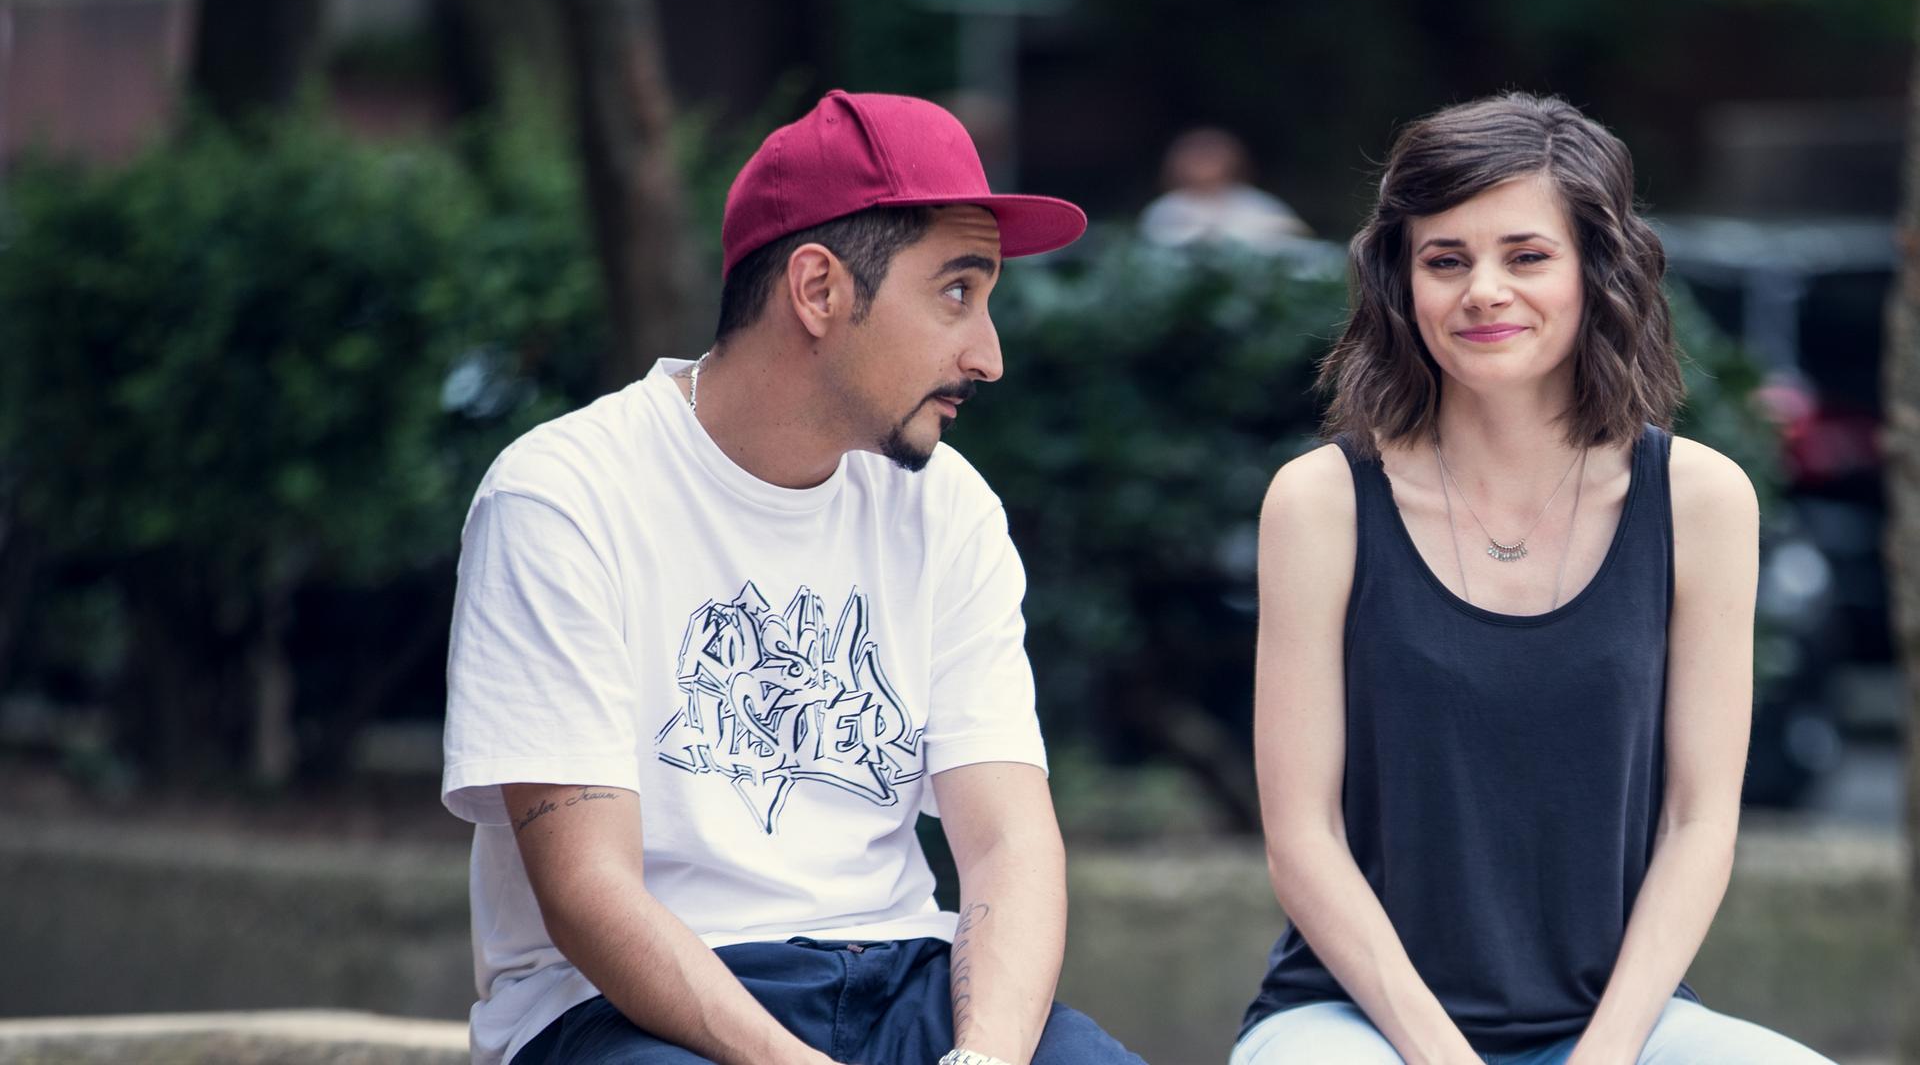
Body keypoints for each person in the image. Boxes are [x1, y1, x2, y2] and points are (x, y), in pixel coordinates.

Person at [441, 90, 1145, 1065]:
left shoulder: (948, 506)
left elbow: (1008, 846)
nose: (987, 354)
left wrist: (984, 1058)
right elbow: (588, 891)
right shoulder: (563, 496)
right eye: (955, 293)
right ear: (817, 290)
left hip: (902, 980)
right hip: (627, 1011)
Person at [1232, 93, 1834, 1064]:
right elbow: (1302, 836)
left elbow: (1697, 821)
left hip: (1619, 1024)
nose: (1483, 291)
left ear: (1596, 272)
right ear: (1403, 281)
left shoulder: (1701, 500)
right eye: (1445, 260)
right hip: (1357, 1023)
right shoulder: (1320, 503)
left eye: (1526, 255)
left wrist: (1604, 1053)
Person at [1138, 127, 1310, 251]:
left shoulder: (1255, 202)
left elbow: (1290, 235)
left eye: (1212, 156)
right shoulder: (1167, 208)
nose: (1204, 164)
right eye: (1196, 157)